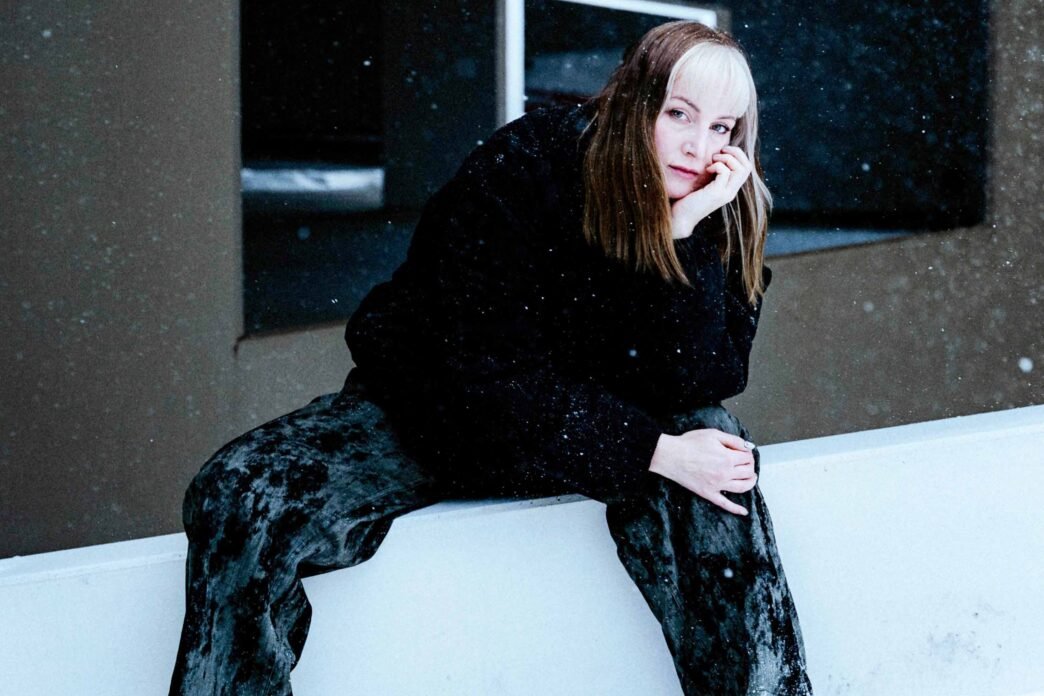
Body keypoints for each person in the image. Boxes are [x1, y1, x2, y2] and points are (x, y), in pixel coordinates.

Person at [169, 20, 811, 696]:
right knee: (238, 489)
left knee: (720, 462)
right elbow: (480, 371)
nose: (698, 146)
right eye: (679, 114)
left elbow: (701, 377)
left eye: (721, 128)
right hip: (436, 422)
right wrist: (651, 449)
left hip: (591, 435)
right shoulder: (530, 164)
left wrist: (680, 239)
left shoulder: (718, 209)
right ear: (634, 100)